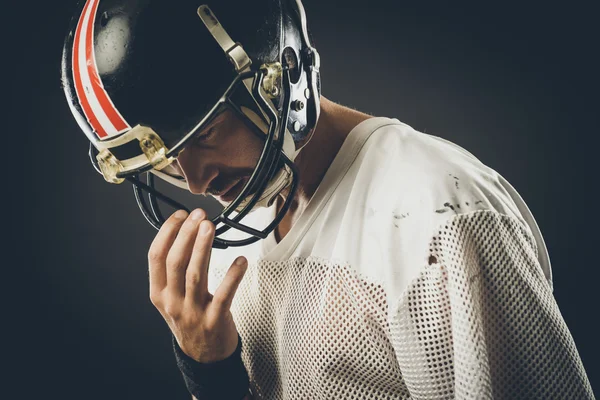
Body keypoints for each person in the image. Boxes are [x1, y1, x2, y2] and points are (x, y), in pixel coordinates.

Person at [61, 0, 595, 399]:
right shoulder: (238, 236)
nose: (197, 182)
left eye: (204, 137)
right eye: (166, 162)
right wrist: (210, 368)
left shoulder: (435, 215)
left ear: (278, 74)